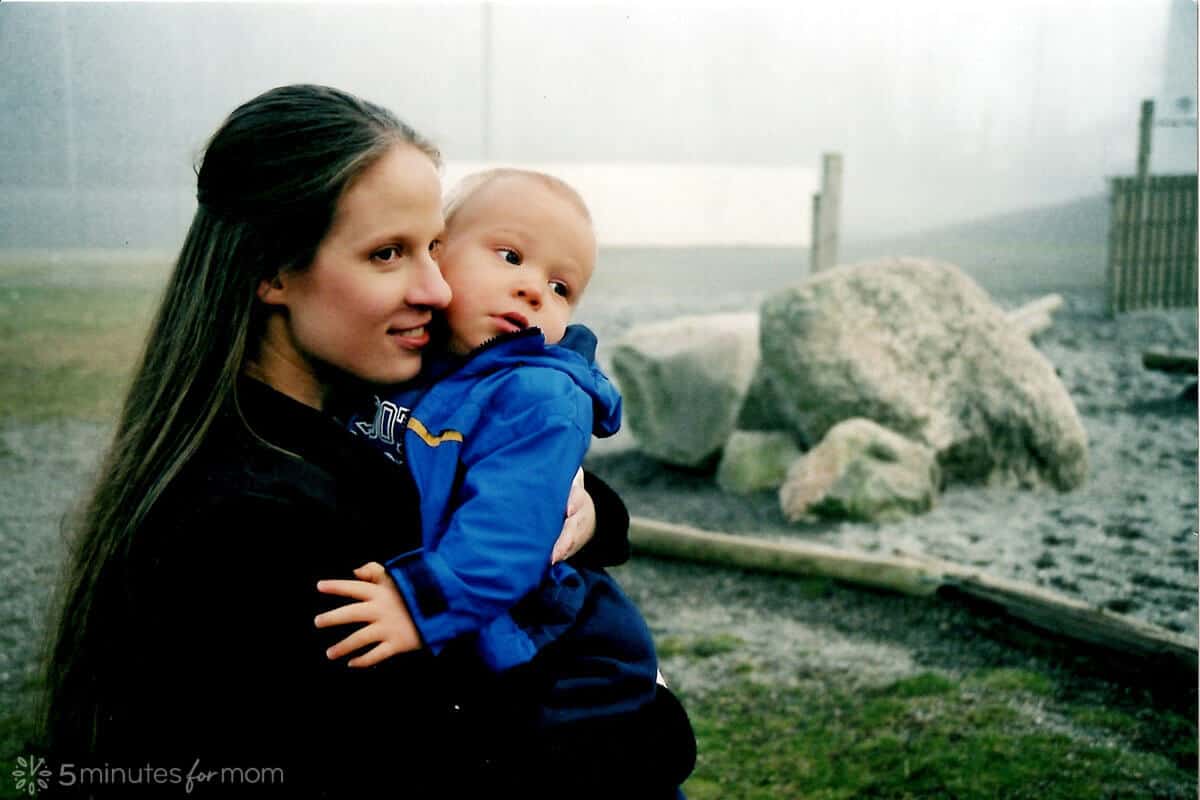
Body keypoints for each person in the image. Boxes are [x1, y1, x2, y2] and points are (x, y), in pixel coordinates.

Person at [38, 85, 693, 797]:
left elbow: (467, 472)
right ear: (272, 270)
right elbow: (436, 759)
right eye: (388, 254)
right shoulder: (263, 520)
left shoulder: (326, 425)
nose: (436, 290)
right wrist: (655, 727)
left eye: (433, 248)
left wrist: (591, 510)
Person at [314, 170, 682, 781]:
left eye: (561, 287)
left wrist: (415, 602)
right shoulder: (408, 366)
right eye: (510, 256)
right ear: (438, 256)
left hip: (544, 643)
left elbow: (506, 533)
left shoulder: (540, 395)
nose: (534, 290)